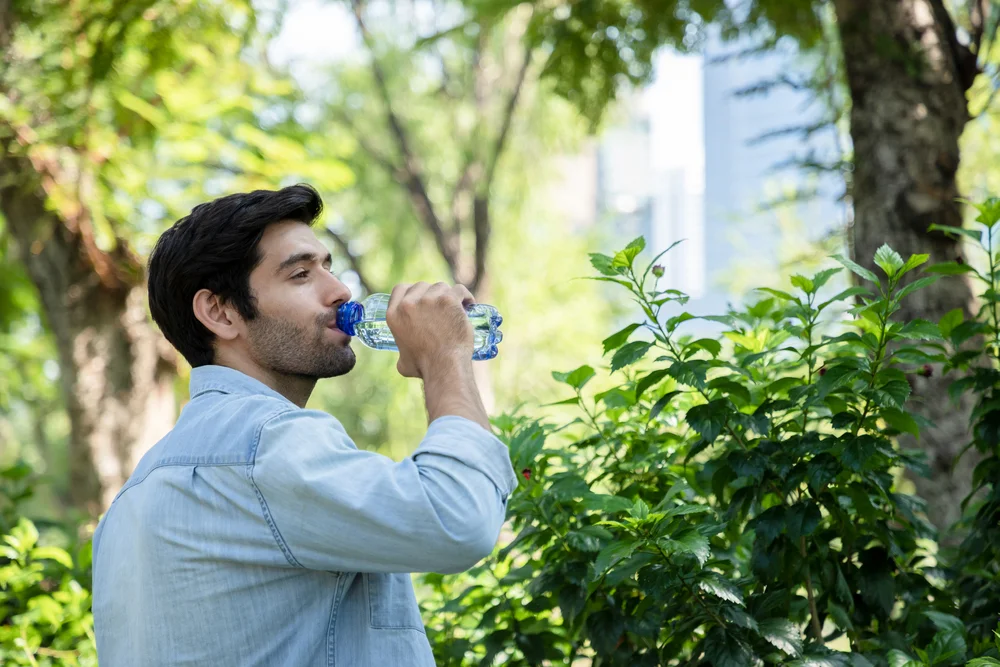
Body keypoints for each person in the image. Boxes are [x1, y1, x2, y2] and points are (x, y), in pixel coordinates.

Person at [91, 184, 517, 666]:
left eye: (328, 267)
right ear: (220, 311)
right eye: (299, 274)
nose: (339, 290)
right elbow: (459, 518)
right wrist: (446, 357)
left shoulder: (130, 501)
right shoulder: (267, 443)